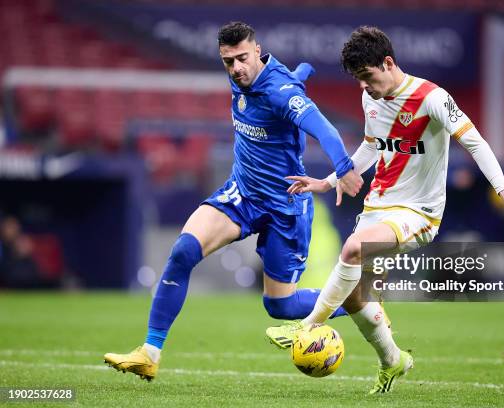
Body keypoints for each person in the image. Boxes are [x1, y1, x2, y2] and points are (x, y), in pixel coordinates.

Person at [266, 26, 504, 394]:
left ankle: (308, 325)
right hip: (377, 207)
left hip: (418, 213)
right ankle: (393, 360)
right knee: (357, 296)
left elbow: (474, 142)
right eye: (359, 80)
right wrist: (328, 182)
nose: (364, 87)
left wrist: (503, 190)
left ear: (388, 62)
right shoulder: (371, 99)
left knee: (352, 248)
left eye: (367, 77)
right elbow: (371, 147)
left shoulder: (431, 98)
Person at [104, 21, 363, 381]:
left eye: (242, 58)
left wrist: (344, 167)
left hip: (284, 204)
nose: (236, 68)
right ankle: (149, 352)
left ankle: (358, 298)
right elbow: (284, 77)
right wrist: (301, 72)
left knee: (280, 306)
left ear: (257, 50)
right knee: (182, 252)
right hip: (241, 193)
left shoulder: (281, 91)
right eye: (228, 61)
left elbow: (324, 128)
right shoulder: (243, 76)